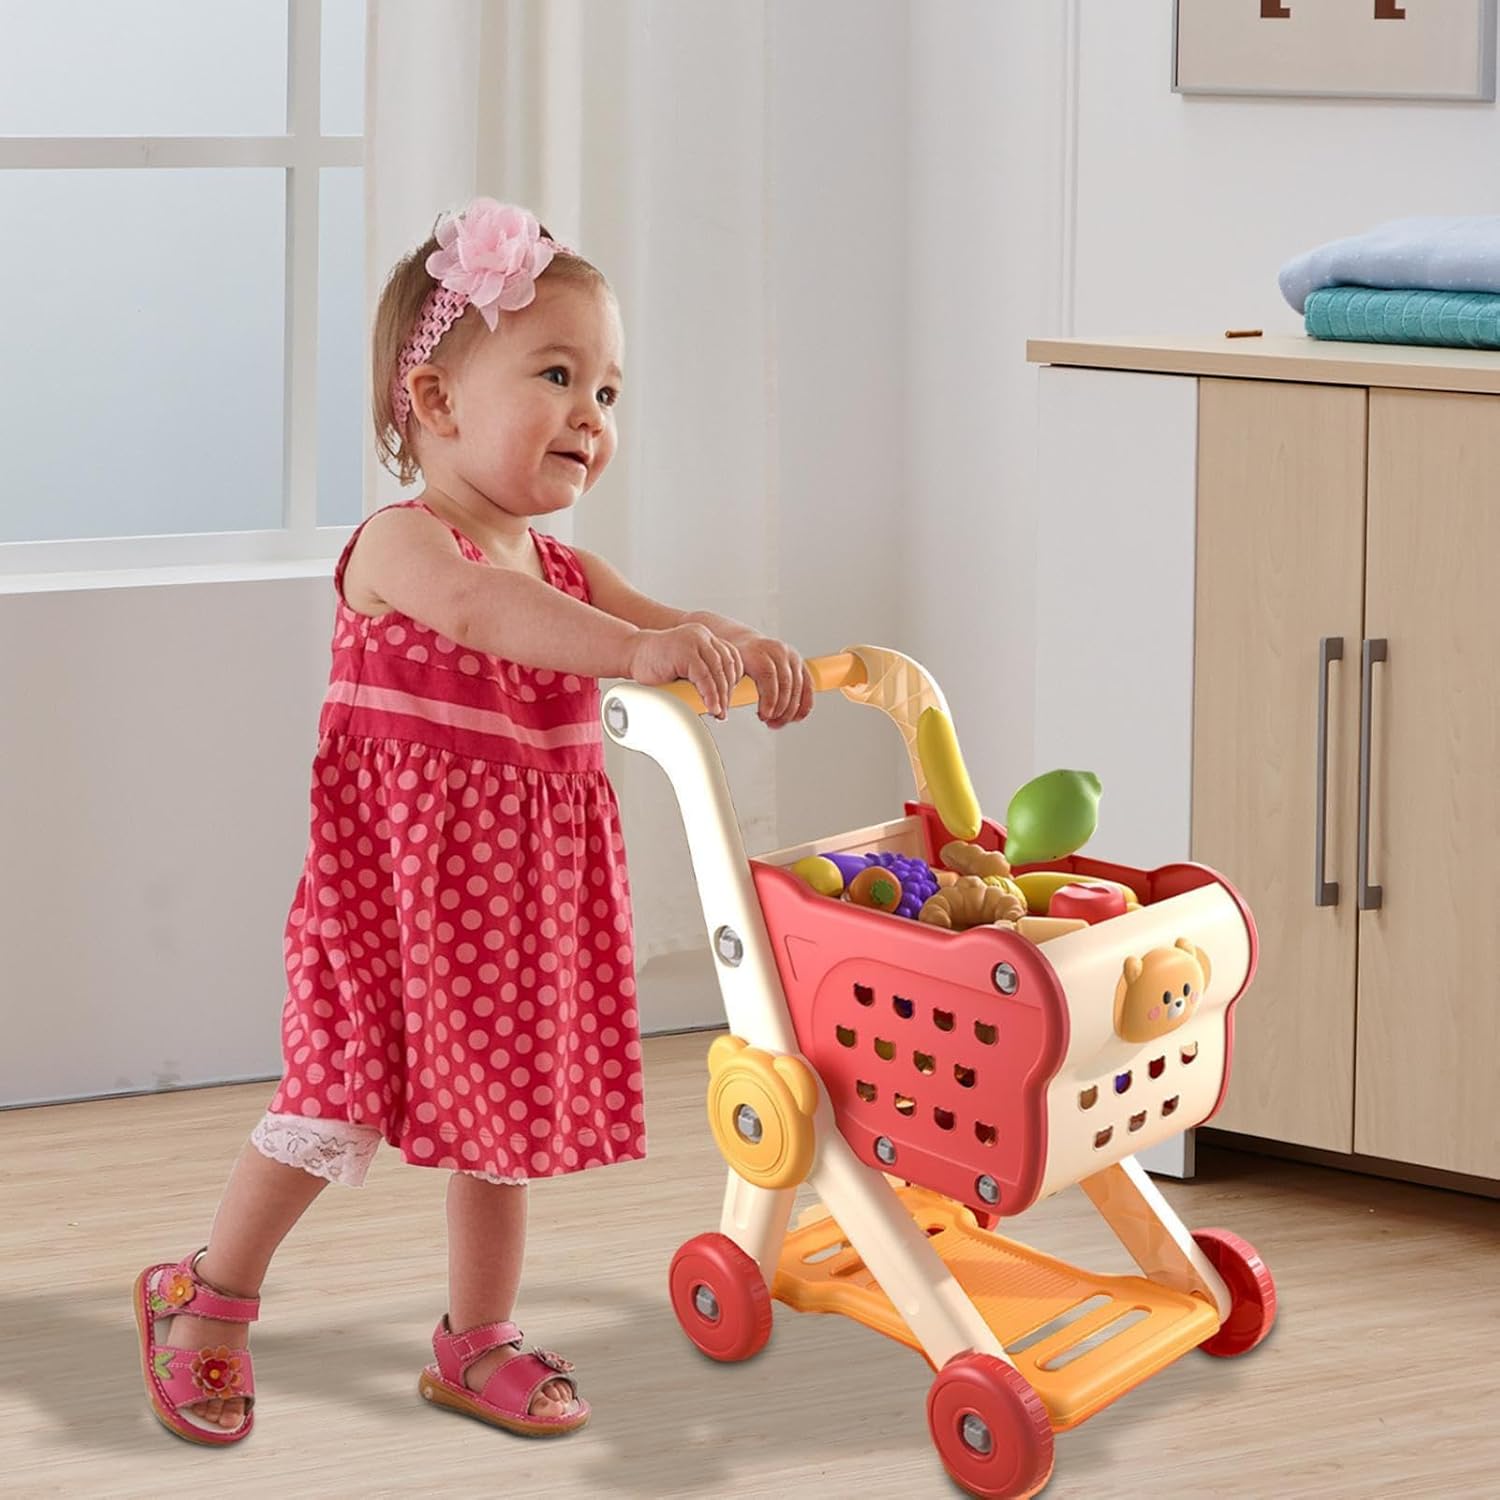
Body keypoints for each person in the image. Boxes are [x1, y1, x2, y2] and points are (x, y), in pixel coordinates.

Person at [133, 199, 814, 1446]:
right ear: (436, 400)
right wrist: (639, 650)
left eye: (607, 390)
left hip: (517, 902)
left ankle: (477, 1337)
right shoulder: (404, 546)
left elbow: (657, 623)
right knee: (331, 1102)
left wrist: (732, 643)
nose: (591, 414)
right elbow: (483, 615)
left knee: (499, 1129)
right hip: (389, 903)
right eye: (556, 376)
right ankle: (207, 1296)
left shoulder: (568, 572)